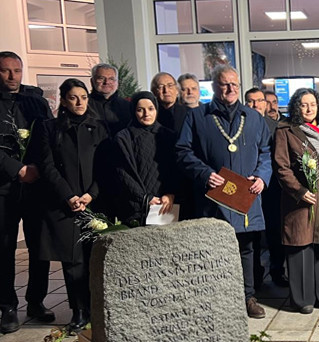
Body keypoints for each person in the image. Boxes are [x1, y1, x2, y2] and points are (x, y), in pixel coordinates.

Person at [175, 65, 271, 319]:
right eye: (224, 84)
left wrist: (262, 176)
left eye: (234, 84)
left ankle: (248, 297)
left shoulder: (254, 118)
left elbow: (266, 152)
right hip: (213, 196)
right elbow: (183, 151)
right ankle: (218, 301)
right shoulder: (197, 116)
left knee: (246, 249)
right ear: (214, 87)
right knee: (214, 250)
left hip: (245, 196)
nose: (230, 88)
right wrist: (204, 173)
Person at [32, 78, 108, 332]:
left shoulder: (99, 127)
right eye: (73, 98)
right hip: (63, 203)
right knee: (72, 261)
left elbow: (107, 166)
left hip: (93, 202)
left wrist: (91, 194)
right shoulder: (49, 128)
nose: (79, 102)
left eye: (83, 97)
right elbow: (47, 165)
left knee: (95, 257)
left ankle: (97, 309)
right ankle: (79, 311)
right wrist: (68, 195)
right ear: (64, 101)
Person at [0, 51, 53, 333]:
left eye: (17, 70)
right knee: (4, 248)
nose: (12, 76)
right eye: (5, 70)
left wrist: (38, 168)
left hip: (36, 186)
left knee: (39, 247)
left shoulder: (36, 101)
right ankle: (7, 307)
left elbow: (50, 138)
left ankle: (36, 301)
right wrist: (17, 168)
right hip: (3, 187)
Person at [273, 88, 319, 313]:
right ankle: (303, 300)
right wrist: (299, 191)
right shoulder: (285, 130)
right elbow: (281, 167)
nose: (309, 109)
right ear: (296, 108)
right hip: (300, 200)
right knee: (301, 244)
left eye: (313, 104)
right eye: (303, 104)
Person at [112, 91, 178, 225]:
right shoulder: (124, 137)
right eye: (140, 110)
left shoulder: (169, 135)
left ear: (156, 110)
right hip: (134, 205)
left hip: (165, 204)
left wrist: (170, 193)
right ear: (133, 112)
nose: (146, 114)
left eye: (151, 109)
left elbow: (175, 169)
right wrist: (145, 197)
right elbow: (122, 173)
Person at [245, 87, 286, 288]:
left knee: (274, 232)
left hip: (273, 188)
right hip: (248, 187)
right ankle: (255, 277)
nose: (256, 105)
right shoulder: (241, 125)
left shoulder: (276, 127)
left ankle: (277, 271)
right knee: (251, 236)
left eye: (260, 100)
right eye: (251, 101)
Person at [88, 63, 130, 136]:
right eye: (101, 78)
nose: (106, 82)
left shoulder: (127, 106)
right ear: (92, 81)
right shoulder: (84, 105)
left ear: (118, 83)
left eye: (111, 79)